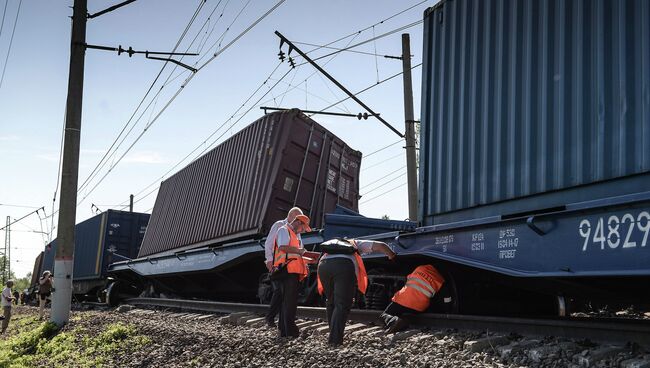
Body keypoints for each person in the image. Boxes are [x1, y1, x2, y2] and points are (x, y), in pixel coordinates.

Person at [317, 238, 396, 346]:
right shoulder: (355, 243)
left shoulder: (331, 247)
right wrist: (391, 255)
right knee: (342, 304)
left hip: (323, 265)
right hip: (343, 266)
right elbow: (381, 245)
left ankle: (333, 334)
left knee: (331, 302)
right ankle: (334, 341)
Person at [264, 207, 304, 327]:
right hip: (278, 264)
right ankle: (270, 318)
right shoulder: (280, 225)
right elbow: (269, 243)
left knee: (284, 293)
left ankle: (282, 322)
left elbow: (298, 245)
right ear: (293, 216)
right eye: (299, 220)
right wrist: (269, 260)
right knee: (279, 291)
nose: (300, 223)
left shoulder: (295, 229)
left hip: (290, 265)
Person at [273, 214, 311, 338]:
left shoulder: (293, 234)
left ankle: (284, 330)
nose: (303, 231)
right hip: (287, 271)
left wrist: (307, 260)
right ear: (298, 223)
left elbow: (294, 255)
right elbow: (283, 247)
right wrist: (299, 251)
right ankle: (290, 332)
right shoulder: (284, 230)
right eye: (303, 228)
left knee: (288, 302)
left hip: (292, 271)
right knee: (289, 302)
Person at [381, 264, 445, 333]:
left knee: (384, 315)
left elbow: (408, 279)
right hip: (420, 307)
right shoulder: (440, 279)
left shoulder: (419, 268)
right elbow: (445, 299)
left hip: (401, 300)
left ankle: (395, 320)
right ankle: (402, 320)